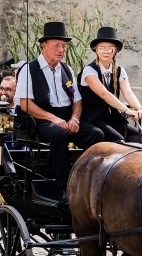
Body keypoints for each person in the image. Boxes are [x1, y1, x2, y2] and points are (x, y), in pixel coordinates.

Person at [15, 21, 103, 197]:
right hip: (41, 119)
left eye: (63, 46)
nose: (61, 50)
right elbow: (24, 103)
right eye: (57, 45)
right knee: (58, 134)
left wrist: (75, 119)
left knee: (96, 134)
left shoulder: (66, 69)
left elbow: (77, 99)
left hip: (67, 117)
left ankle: (87, 180)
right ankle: (64, 187)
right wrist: (54, 119)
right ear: (44, 46)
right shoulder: (29, 69)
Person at [78, 26, 142, 144]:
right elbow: (104, 94)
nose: (106, 51)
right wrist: (126, 110)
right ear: (96, 50)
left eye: (110, 48)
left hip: (110, 117)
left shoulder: (119, 70)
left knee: (141, 138)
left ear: (115, 51)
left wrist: (139, 108)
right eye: (102, 48)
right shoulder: (89, 71)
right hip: (92, 118)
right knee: (119, 141)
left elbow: (128, 92)